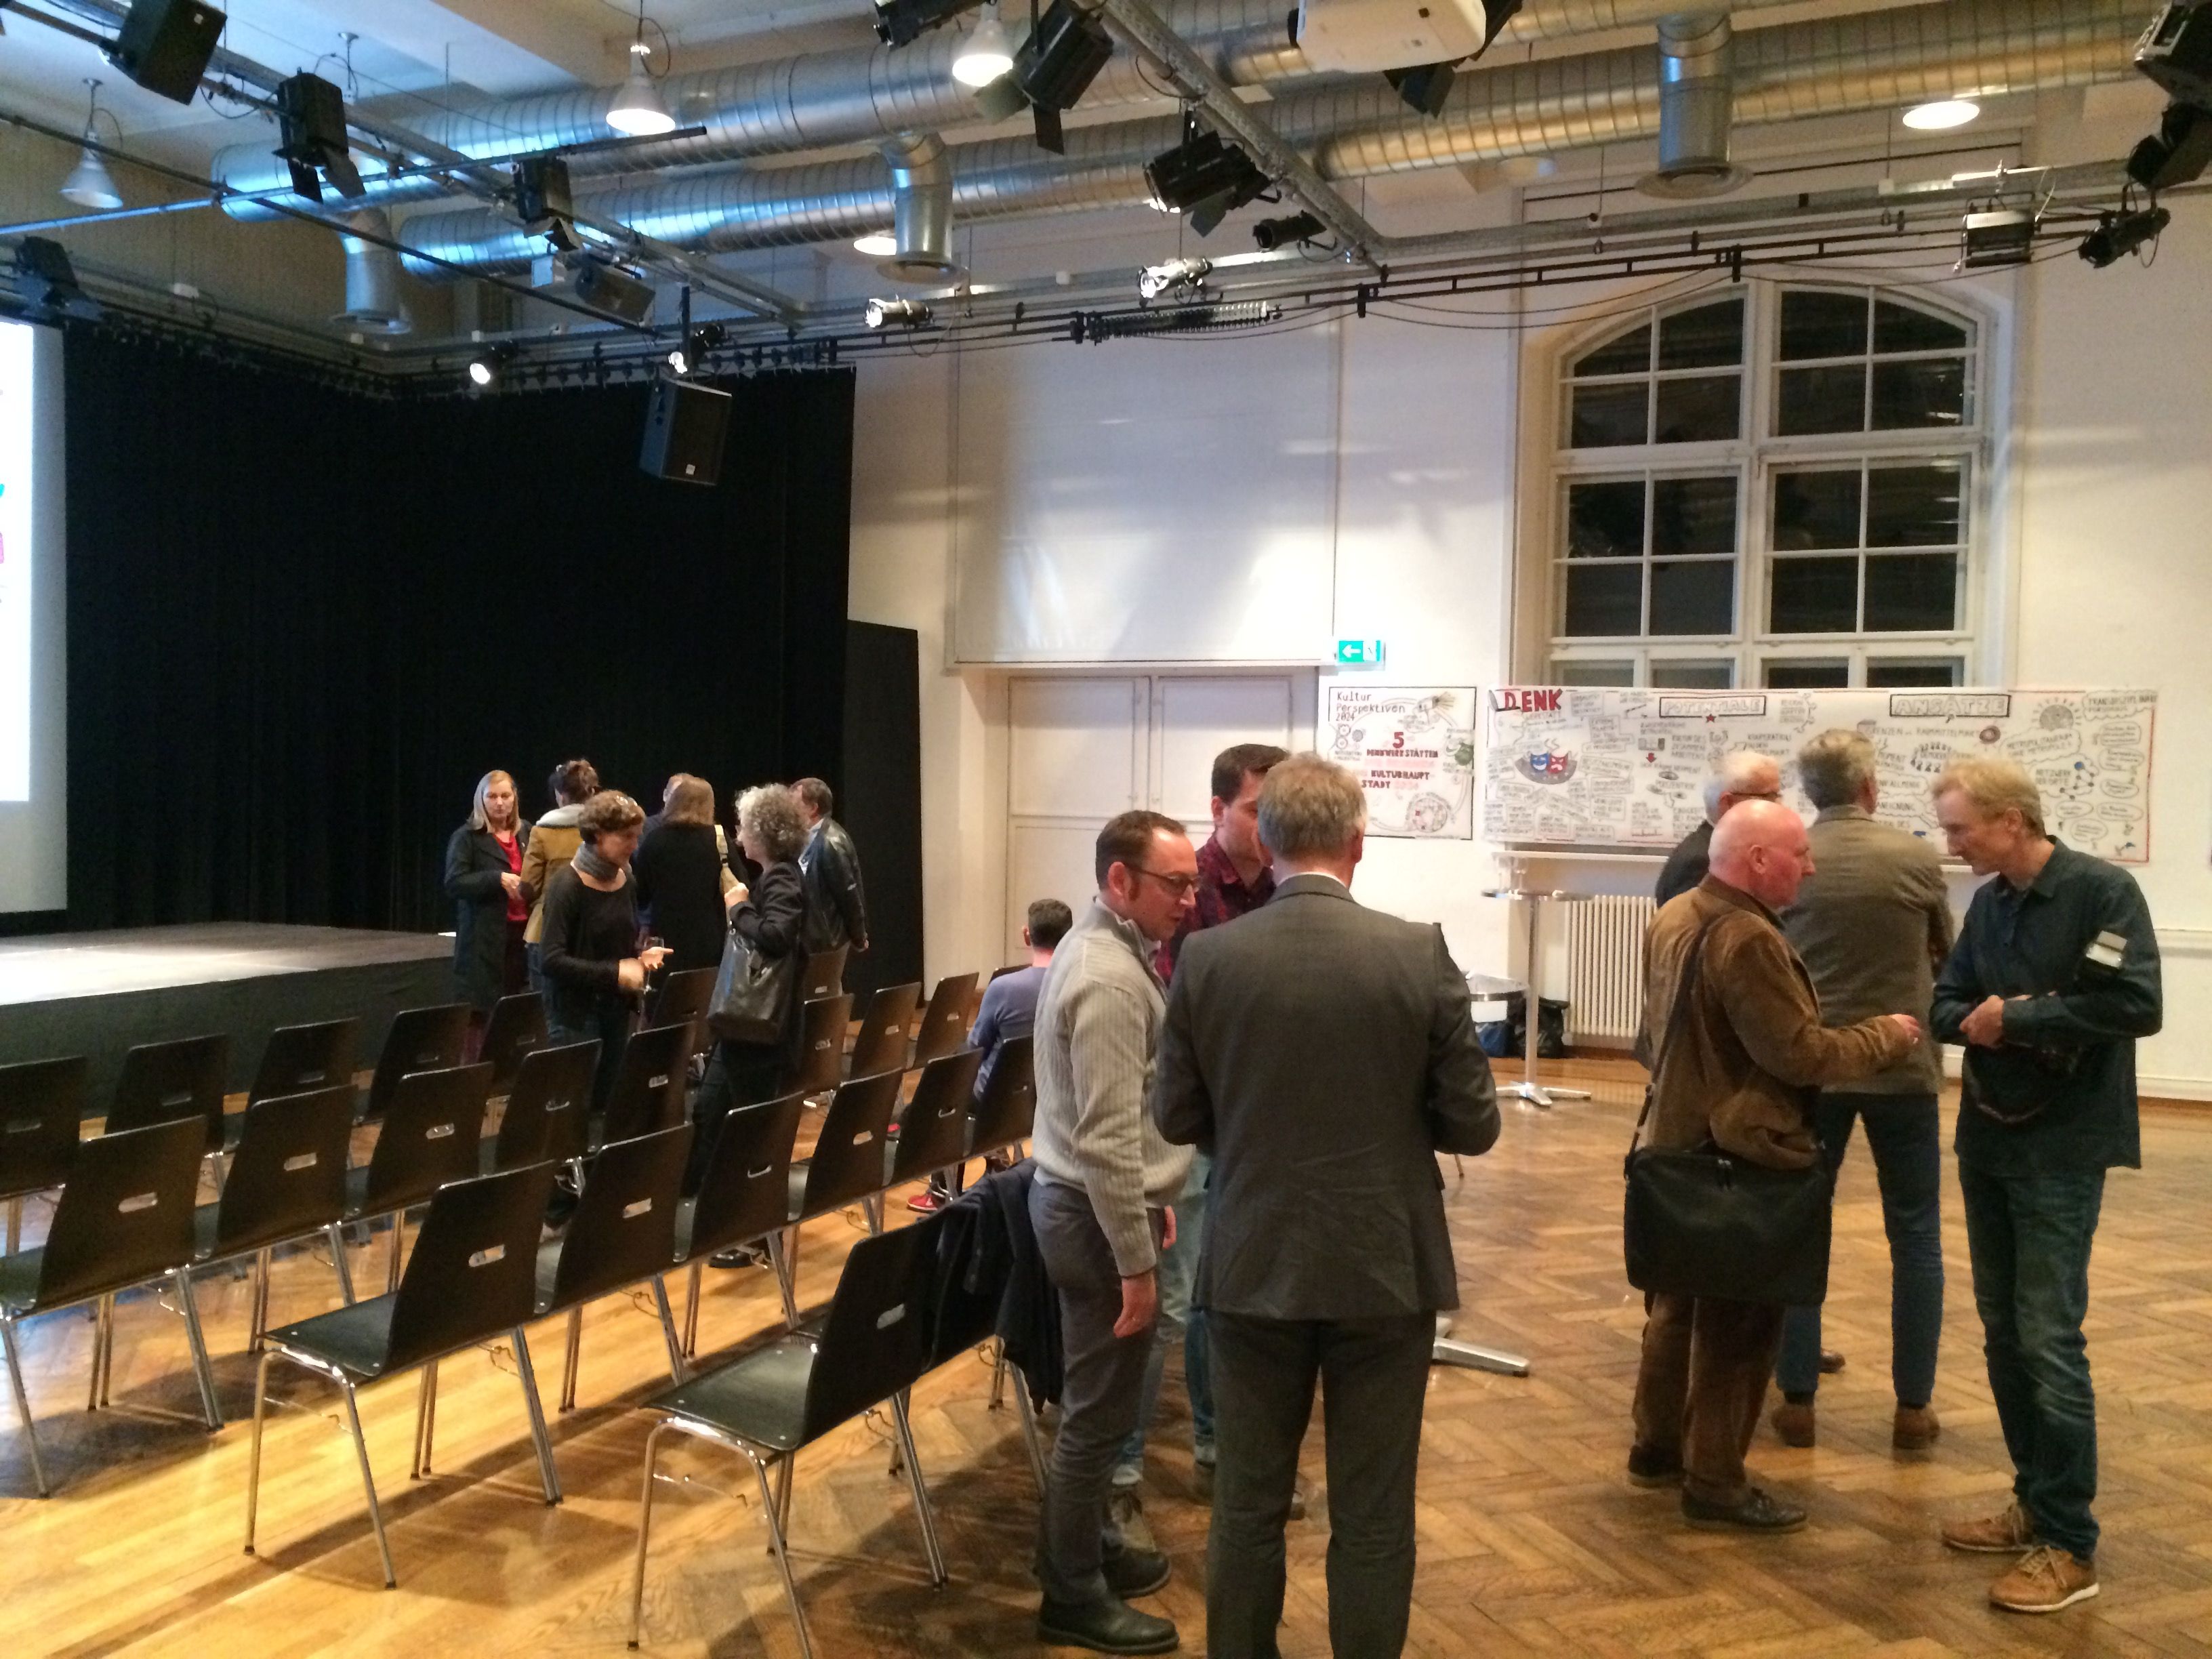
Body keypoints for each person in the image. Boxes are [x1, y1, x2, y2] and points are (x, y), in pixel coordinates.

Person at [1152, 754, 1501, 1659]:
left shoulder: (1209, 957)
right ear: (1358, 841)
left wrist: (1253, 1133)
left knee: (1247, 1507)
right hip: (1384, 1264)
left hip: (1252, 1254)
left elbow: (1176, 1116)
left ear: (1266, 844)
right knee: (1375, 1512)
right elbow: (1474, 1126)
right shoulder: (1417, 951)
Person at [1630, 800, 1921, 1533]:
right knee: (1739, 1324)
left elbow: (1651, 1038)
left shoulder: (1676, 914)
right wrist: (1885, 1036)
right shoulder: (1748, 938)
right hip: (1739, 1152)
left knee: (1674, 1308)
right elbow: (1799, 1053)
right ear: (1758, 860)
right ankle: (1715, 1483)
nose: (1811, 867)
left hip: (1674, 1141)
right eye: (1800, 854)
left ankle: (1656, 1450)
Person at [1929, 758, 2161, 1615]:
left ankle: (2069, 1542)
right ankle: (2033, 1502)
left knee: (2048, 1337)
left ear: (2012, 821)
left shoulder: (2103, 893)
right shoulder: (1989, 904)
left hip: (2064, 1147)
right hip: (1988, 1138)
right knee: (2003, 1333)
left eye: (1961, 828)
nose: (1951, 844)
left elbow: (2137, 1005)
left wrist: (2016, 1016)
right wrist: (1991, 1018)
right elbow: (1945, 1004)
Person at [1029, 809, 1197, 1656]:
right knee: (1097, 1417)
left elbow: (1124, 1120)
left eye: (1193, 883)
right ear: (1120, 881)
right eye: (1176, 883)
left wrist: (1151, 1193)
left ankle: (1087, 1546)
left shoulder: (1109, 949)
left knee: (1102, 1405)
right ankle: (1070, 1593)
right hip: (1092, 1220)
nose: (1190, 899)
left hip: (1094, 1207)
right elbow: (1103, 1139)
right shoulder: (1109, 978)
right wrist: (1135, 1261)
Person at [1769, 731, 1954, 1453]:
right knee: (1916, 1235)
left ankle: (1797, 1401)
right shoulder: (1913, 858)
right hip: (1903, 1067)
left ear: (1809, 791)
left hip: (1813, 1068)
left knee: (1800, 1226)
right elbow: (1944, 951)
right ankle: (1912, 1407)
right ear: (1870, 787)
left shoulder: (1792, 857)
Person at [1120, 740, 1287, 1507]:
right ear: (1219, 809)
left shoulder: (1284, 887)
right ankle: (1122, 1472)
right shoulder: (1185, 892)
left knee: (1229, 1301)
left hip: (1252, 1122)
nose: (1270, 824)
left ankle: (1219, 1450)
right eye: (1256, 809)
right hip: (1190, 1124)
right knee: (1177, 1301)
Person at [909, 897, 1074, 1215]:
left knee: (950, 1086)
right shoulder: (1077, 981)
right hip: (1053, 1094)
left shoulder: (1005, 988)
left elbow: (976, 1046)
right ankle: (996, 1162)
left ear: (1027, 935)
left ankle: (941, 1190)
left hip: (1000, 1099)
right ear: (1069, 936)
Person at [689, 783, 810, 1210]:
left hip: (758, 1027)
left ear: (764, 832)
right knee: (710, 1113)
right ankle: (707, 1211)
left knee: (747, 1126)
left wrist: (738, 908)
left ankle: (747, 1218)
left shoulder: (782, 878)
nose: (739, 834)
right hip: (746, 1028)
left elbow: (777, 935)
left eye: (744, 826)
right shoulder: (779, 875)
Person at [538, 790, 668, 1114]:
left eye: (637, 836)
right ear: (597, 835)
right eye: (626, 837)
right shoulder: (566, 886)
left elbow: (618, 946)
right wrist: (617, 973)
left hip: (615, 1011)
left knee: (608, 1106)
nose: (635, 845)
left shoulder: (626, 878)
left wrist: (640, 958)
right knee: (574, 1111)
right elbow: (550, 960)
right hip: (575, 1015)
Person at [444, 769, 533, 1050]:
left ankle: (508, 1069)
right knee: (480, 1013)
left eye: (505, 796)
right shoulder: (467, 837)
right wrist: (497, 879)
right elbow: (454, 882)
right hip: (483, 938)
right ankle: (475, 1070)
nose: (499, 802)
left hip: (522, 935)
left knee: (513, 1009)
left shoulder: (527, 832)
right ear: (480, 799)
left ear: (514, 798)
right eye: (492, 796)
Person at [632, 775, 732, 977]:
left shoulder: (654, 839)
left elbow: (640, 895)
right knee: (706, 987)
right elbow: (740, 884)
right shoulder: (718, 837)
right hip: (710, 933)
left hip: (665, 934)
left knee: (667, 989)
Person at [1654, 750, 1782, 908]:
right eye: (1769, 797)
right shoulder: (1702, 862)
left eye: (1778, 796)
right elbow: (1692, 922)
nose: (1779, 806)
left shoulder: (1722, 851)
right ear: (1728, 803)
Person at [521, 758, 599, 991]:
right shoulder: (604, 830)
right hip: (593, 930)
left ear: (560, 794)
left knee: (544, 1006)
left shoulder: (542, 831)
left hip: (545, 930)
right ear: (592, 792)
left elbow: (528, 887)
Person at [793, 777, 869, 962]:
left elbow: (849, 896)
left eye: (794, 805)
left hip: (826, 943)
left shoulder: (831, 843)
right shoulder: (806, 838)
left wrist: (859, 937)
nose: (789, 811)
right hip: (812, 941)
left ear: (813, 808)